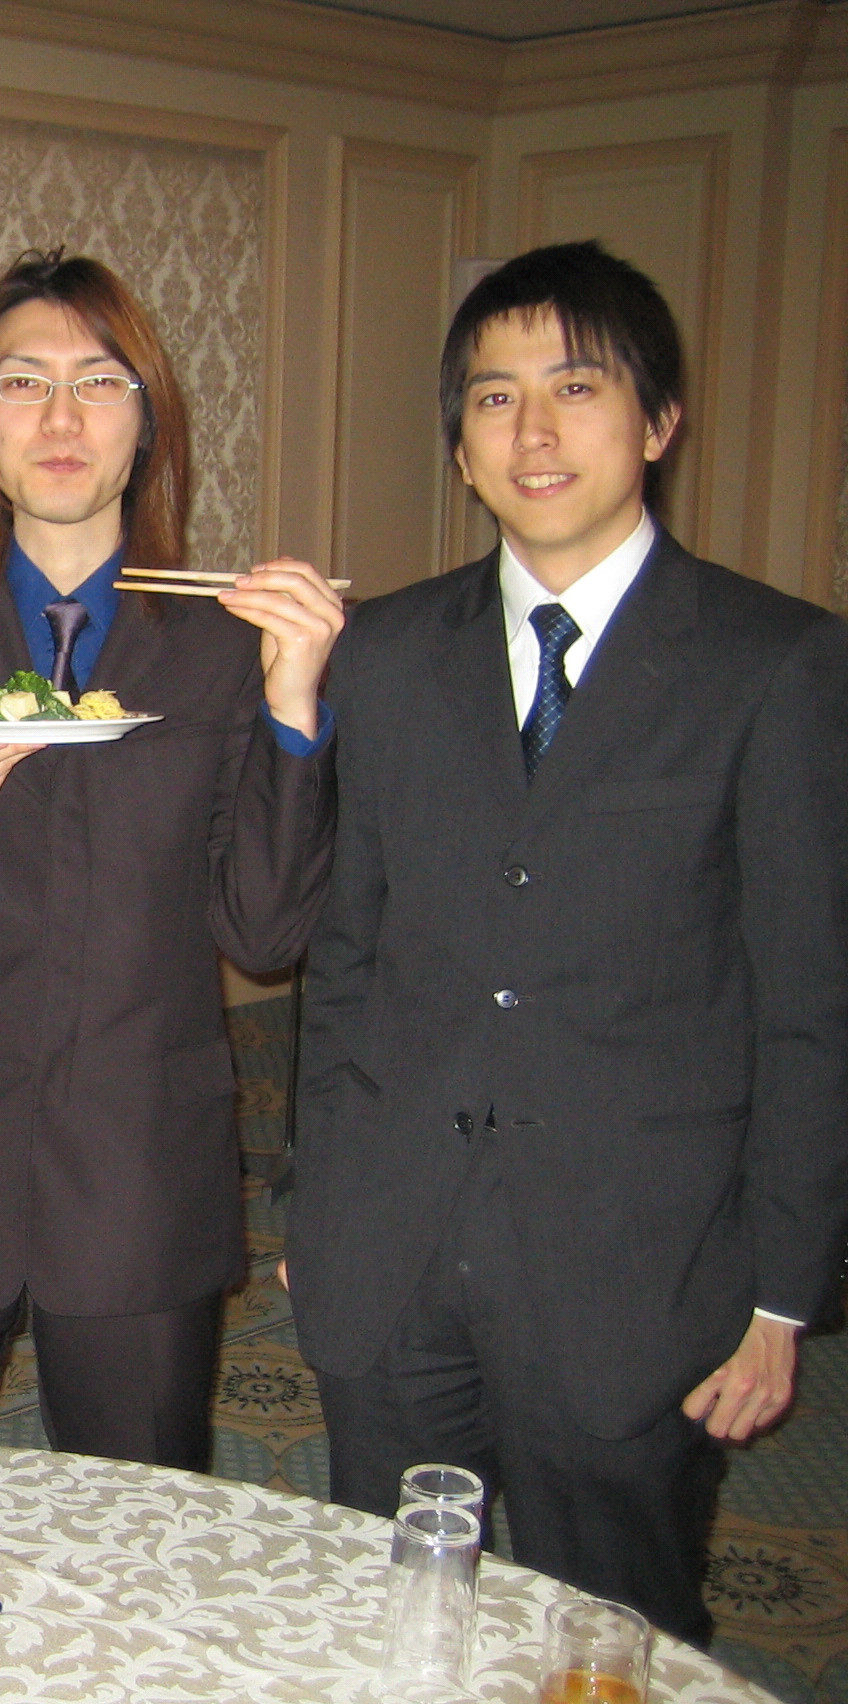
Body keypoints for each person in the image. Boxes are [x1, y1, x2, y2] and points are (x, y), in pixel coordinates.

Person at [285, 241, 848, 1644]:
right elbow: (346, 957)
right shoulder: (386, 652)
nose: (532, 432)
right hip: (394, 1250)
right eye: (494, 399)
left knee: (615, 1630)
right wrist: (322, 1203)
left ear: (657, 422)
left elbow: (810, 1004)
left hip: (636, 1273)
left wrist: (782, 1297)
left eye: (576, 388)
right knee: (397, 1619)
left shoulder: (774, 663)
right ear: (460, 449)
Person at [0, 249, 343, 1466]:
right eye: (22, 382)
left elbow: (264, 933)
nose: (59, 418)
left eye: (99, 383)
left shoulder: (222, 649)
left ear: (147, 426)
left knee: (137, 1525)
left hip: (139, 1163)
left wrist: (293, 706)